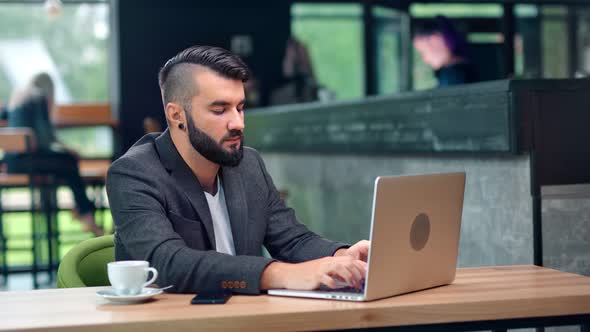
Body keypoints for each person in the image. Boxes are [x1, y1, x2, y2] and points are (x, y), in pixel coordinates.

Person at [106, 45, 369, 294]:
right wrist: (283, 274)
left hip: (244, 318)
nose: (238, 123)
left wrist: (343, 257)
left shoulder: (248, 164)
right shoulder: (133, 173)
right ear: (177, 115)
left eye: (240, 108)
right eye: (220, 110)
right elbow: (167, 264)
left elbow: (291, 239)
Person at [5, 73, 104, 236]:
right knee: (70, 162)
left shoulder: (19, 96)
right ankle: (86, 214)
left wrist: (65, 149)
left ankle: (83, 210)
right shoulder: (38, 97)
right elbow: (42, 139)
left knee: (67, 161)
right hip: (28, 159)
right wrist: (67, 150)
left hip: (12, 162)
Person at [412, 15, 478, 86]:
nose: (425, 59)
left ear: (435, 40)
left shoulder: (452, 75)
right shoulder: (462, 71)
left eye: (423, 52)